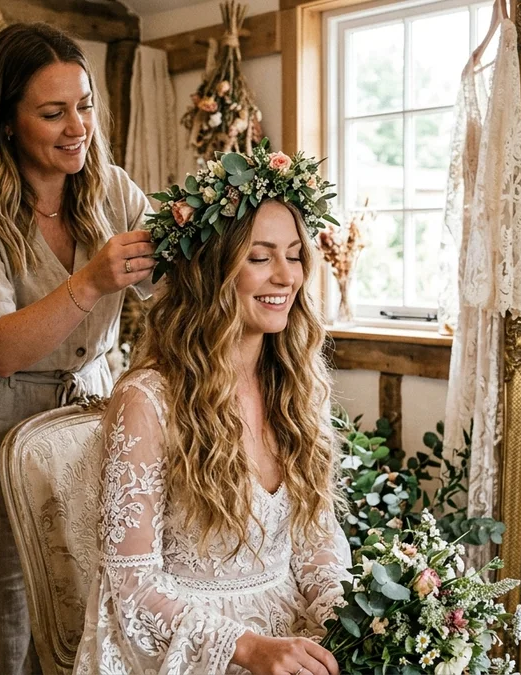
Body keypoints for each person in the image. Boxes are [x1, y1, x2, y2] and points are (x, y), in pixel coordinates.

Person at [0, 23, 157, 674]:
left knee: (80, 624)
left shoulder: (113, 190)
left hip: (85, 427)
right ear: (5, 123)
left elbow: (175, 278)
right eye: (53, 113)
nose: (77, 126)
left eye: (84, 105)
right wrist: (90, 281)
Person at [74, 146, 352, 674]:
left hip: (290, 629)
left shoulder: (296, 388)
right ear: (211, 271)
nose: (286, 276)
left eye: (294, 254)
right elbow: (131, 586)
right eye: (260, 256)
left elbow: (317, 542)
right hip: (182, 646)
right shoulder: (148, 402)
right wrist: (247, 649)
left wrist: (349, 621)